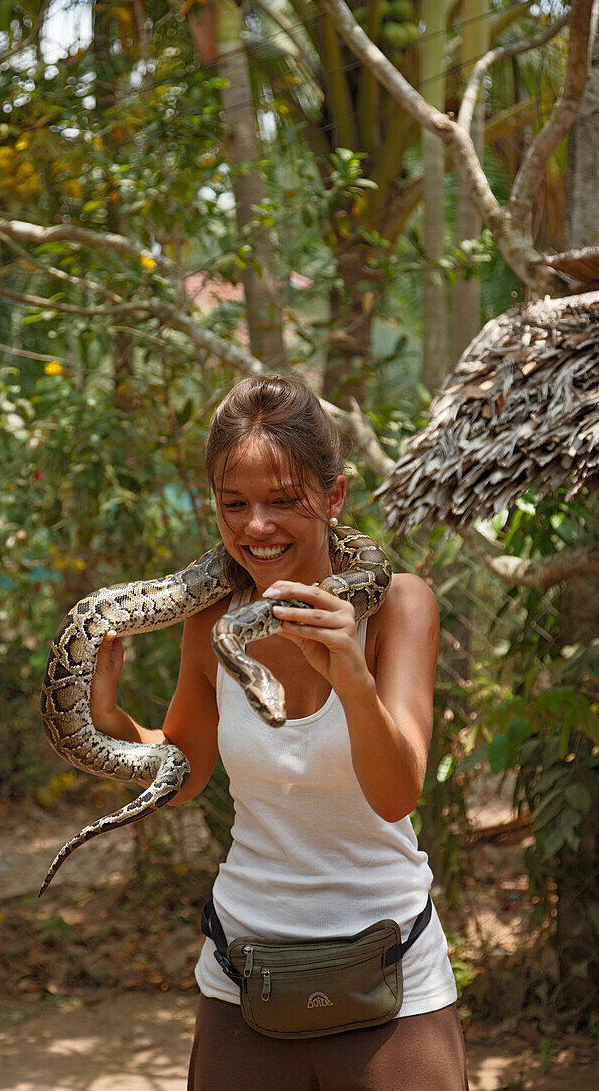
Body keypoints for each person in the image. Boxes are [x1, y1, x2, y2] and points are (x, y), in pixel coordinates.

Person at [90, 375, 469, 1090]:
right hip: (244, 971)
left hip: (390, 970)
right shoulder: (209, 621)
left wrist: (350, 676)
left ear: (333, 498)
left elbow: (395, 794)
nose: (254, 527)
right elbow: (186, 773)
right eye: (233, 505)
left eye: (283, 501)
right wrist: (109, 717)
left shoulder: (397, 606)